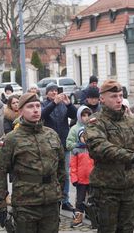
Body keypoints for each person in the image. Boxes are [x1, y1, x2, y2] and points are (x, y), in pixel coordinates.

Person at [0, 93, 66, 233]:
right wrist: (0, 204)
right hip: (25, 203)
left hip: (50, 203)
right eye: (30, 106)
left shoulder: (51, 134)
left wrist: (59, 192)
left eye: (38, 106)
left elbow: (61, 167)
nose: (36, 110)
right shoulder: (11, 139)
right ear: (20, 111)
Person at [84, 79, 134, 233]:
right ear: (102, 99)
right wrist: (131, 157)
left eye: (120, 95)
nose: (119, 99)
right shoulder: (95, 122)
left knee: (127, 228)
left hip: (129, 187)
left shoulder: (132, 120)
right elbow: (99, 148)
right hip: (107, 189)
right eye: (113, 96)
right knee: (107, 229)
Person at [41, 82, 77, 212]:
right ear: (46, 93)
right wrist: (54, 103)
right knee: (51, 173)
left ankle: (65, 200)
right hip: (49, 145)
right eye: (51, 91)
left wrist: (69, 104)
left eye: (56, 91)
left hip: (64, 143)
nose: (54, 93)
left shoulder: (63, 105)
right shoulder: (44, 105)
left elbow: (75, 116)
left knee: (65, 174)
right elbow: (42, 115)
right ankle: (53, 199)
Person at [70, 127, 94, 228]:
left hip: (93, 180)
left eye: (87, 136)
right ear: (79, 137)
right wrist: (74, 178)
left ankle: (94, 218)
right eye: (83, 136)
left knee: (93, 200)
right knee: (80, 200)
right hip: (80, 181)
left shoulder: (93, 150)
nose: (85, 138)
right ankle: (78, 218)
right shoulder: (76, 151)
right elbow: (73, 166)